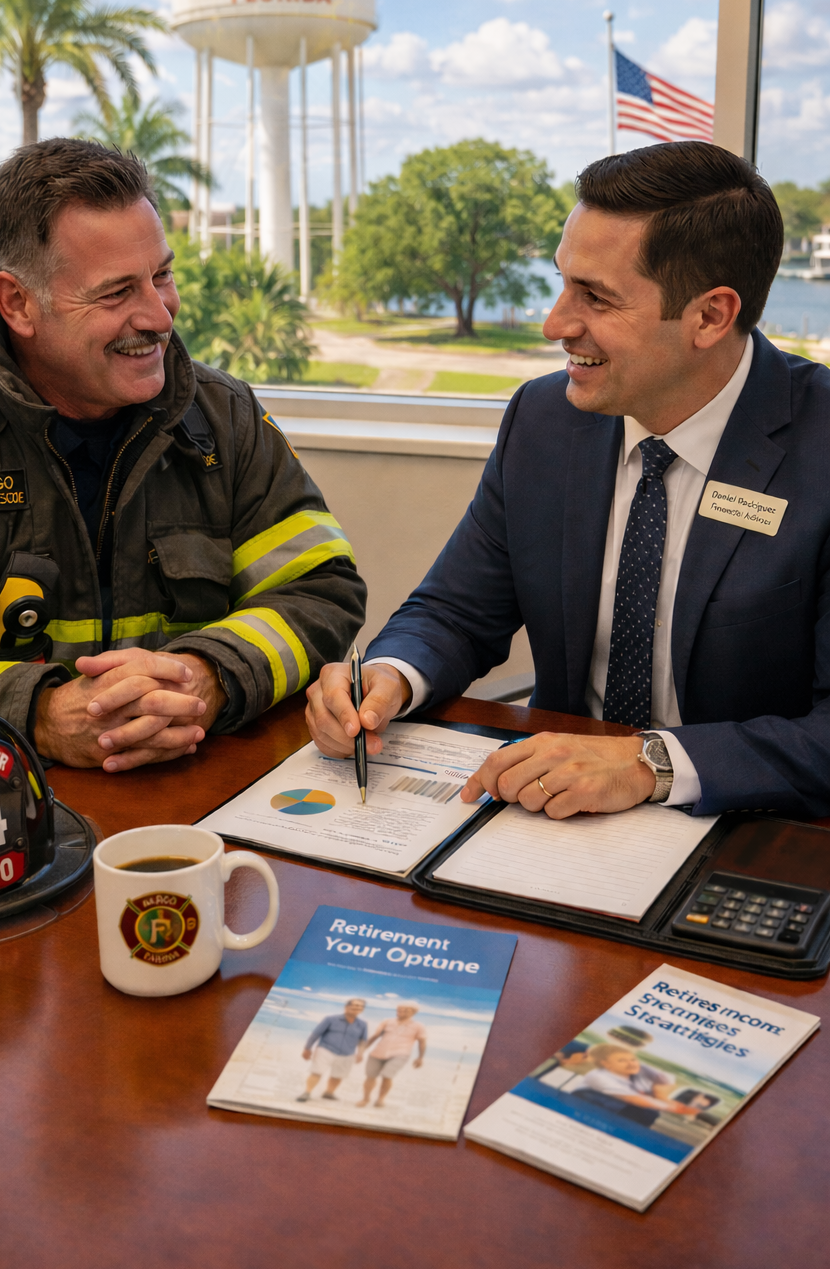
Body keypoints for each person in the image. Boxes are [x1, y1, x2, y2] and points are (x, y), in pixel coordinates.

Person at [306, 141, 830, 819]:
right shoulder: (544, 419)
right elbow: (457, 610)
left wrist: (651, 762)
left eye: (597, 298)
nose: (555, 323)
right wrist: (389, 678)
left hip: (747, 831)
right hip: (552, 815)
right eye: (562, 281)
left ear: (710, 316)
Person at [0, 139, 365, 767]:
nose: (159, 315)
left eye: (162, 276)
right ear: (17, 302)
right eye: (116, 292)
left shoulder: (222, 415)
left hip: (195, 803)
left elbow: (323, 589)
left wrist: (207, 674)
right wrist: (37, 717)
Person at [573, 1045, 700, 1126]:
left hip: (623, 1112)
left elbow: (667, 1080)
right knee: (644, 1109)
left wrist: (660, 1093)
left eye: (633, 1059)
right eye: (621, 1060)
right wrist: (673, 1107)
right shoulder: (597, 1076)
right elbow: (633, 1099)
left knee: (648, 1112)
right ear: (606, 1064)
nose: (631, 1063)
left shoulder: (637, 1070)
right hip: (588, 1110)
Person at [298, 998, 368, 1102]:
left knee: (338, 1075)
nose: (356, 1008)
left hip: (348, 1053)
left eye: (359, 1006)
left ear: (362, 1010)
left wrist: (360, 1053)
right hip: (326, 1049)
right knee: (317, 1071)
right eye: (354, 1005)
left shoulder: (362, 1024)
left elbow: (362, 1040)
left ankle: (328, 1093)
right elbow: (316, 1034)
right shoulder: (330, 1019)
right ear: (346, 1007)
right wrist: (307, 1048)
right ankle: (307, 1092)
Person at [358, 1002, 426, 1109]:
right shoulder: (388, 1022)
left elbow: (422, 1042)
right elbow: (375, 1036)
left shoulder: (418, 1026)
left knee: (387, 1075)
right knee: (370, 1076)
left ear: (413, 1012)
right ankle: (365, 1098)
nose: (400, 1012)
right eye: (399, 1010)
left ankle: (380, 1099)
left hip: (400, 1054)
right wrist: (361, 1051)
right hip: (378, 1053)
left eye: (405, 1010)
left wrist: (420, 1058)